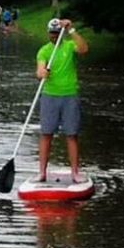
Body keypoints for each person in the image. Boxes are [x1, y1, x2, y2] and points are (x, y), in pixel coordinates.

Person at [36, 17, 89, 182]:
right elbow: (39, 69)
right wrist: (42, 73)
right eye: (52, 33)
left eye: (57, 33)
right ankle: (42, 172)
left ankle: (75, 172)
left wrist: (71, 30)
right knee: (46, 134)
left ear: (61, 33)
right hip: (50, 95)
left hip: (69, 95)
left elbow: (84, 49)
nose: (54, 36)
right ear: (48, 34)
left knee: (71, 135)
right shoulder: (44, 50)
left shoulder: (69, 46)